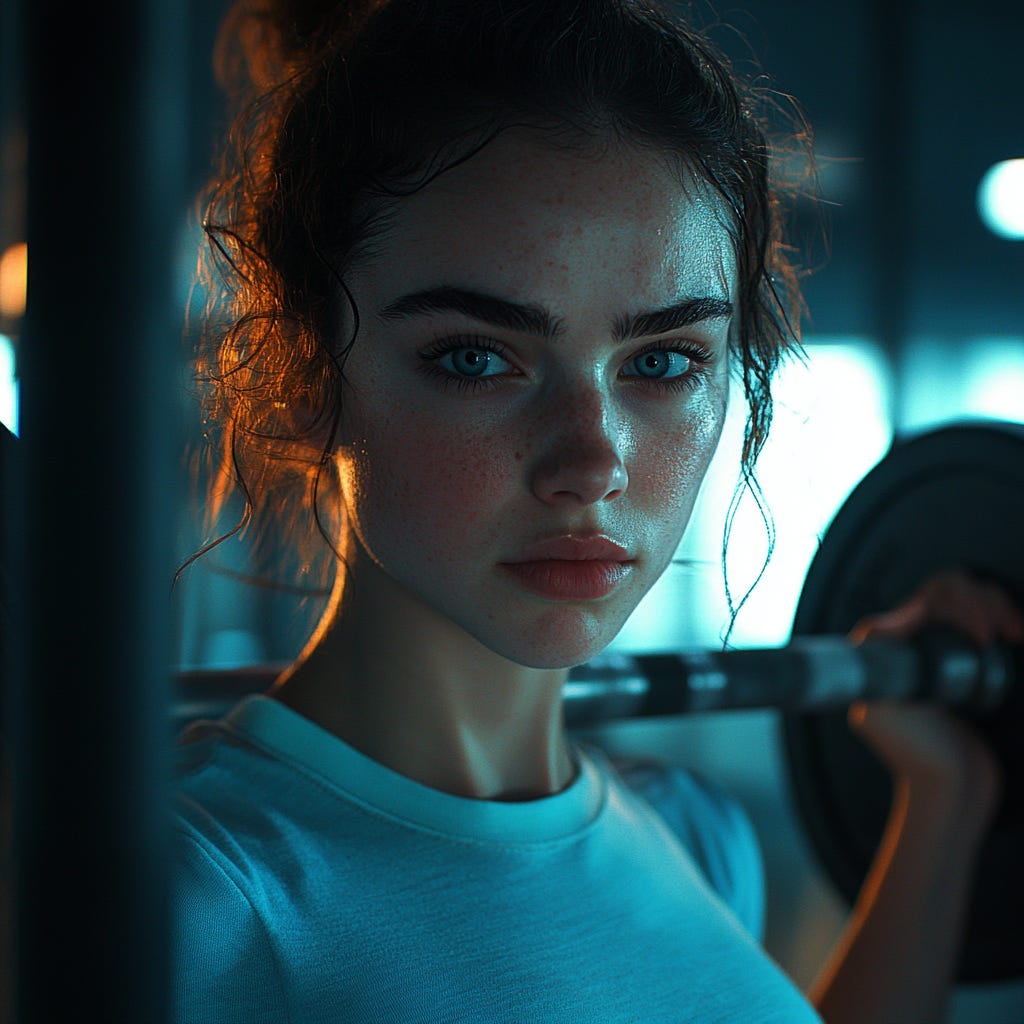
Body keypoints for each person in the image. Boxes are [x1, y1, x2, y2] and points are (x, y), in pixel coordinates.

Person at [172, 1, 1022, 1021]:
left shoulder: (691, 833)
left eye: (662, 362)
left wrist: (942, 801)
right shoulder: (187, 898)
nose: (592, 461)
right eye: (476, 358)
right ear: (310, 373)